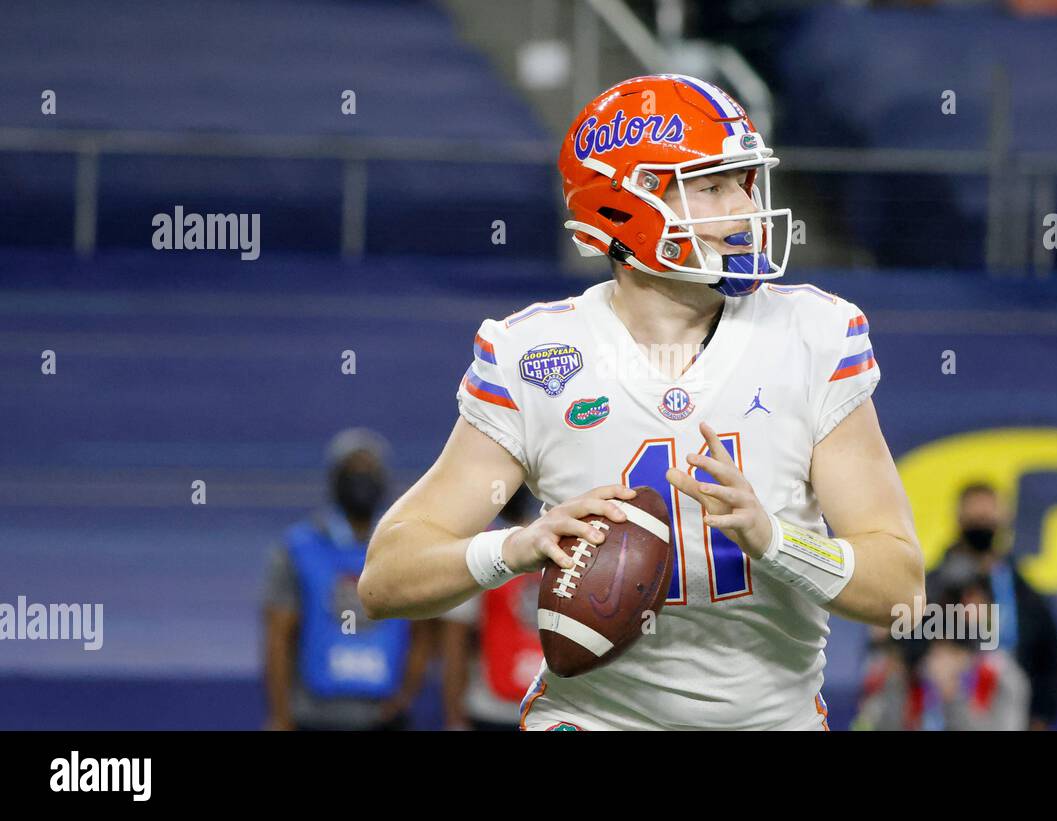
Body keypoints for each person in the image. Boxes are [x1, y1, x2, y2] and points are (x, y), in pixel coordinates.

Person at [358, 74, 925, 731]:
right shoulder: (537, 355)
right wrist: (514, 548)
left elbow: (901, 589)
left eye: (744, 183)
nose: (745, 209)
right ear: (628, 205)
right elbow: (386, 578)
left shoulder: (813, 337)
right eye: (712, 186)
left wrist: (776, 540)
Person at [262, 428, 437, 731]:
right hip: (313, 716)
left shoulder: (405, 548)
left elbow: (423, 632)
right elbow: (278, 636)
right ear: (335, 479)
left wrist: (404, 697)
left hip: (382, 720)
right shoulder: (298, 548)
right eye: (352, 471)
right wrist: (280, 717)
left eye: (370, 471)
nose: (361, 479)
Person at [936, 482, 1057, 729]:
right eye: (975, 519)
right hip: (946, 708)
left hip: (1009, 713)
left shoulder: (1025, 593)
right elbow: (907, 643)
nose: (981, 527)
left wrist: (1040, 717)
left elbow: (1052, 658)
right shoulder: (933, 584)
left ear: (1003, 521)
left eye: (987, 519)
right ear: (959, 520)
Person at [852, 554, 1030, 731]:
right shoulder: (914, 677)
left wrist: (953, 695)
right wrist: (896, 680)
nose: (937, 661)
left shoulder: (1001, 678)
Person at [441, 489, 544, 731]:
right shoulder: (474, 552)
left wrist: (454, 714)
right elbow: (455, 640)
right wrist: (455, 714)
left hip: (526, 709)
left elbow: (455, 642)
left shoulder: (476, 552)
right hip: (502, 708)